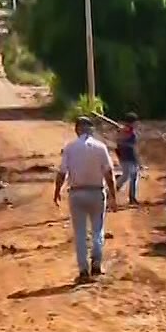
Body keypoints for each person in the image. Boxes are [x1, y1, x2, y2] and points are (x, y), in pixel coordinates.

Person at [53, 116, 118, 284]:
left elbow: (62, 173)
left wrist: (57, 191)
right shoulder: (100, 147)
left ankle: (83, 271)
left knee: (80, 233)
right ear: (91, 130)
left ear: (77, 130)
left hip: (77, 194)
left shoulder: (70, 148)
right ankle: (96, 264)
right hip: (97, 192)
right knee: (98, 230)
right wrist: (113, 195)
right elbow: (109, 173)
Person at [117, 112, 141, 205]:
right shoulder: (124, 131)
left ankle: (132, 198)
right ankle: (111, 191)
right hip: (126, 156)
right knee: (126, 176)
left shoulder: (129, 131)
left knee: (133, 177)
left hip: (130, 156)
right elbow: (120, 143)